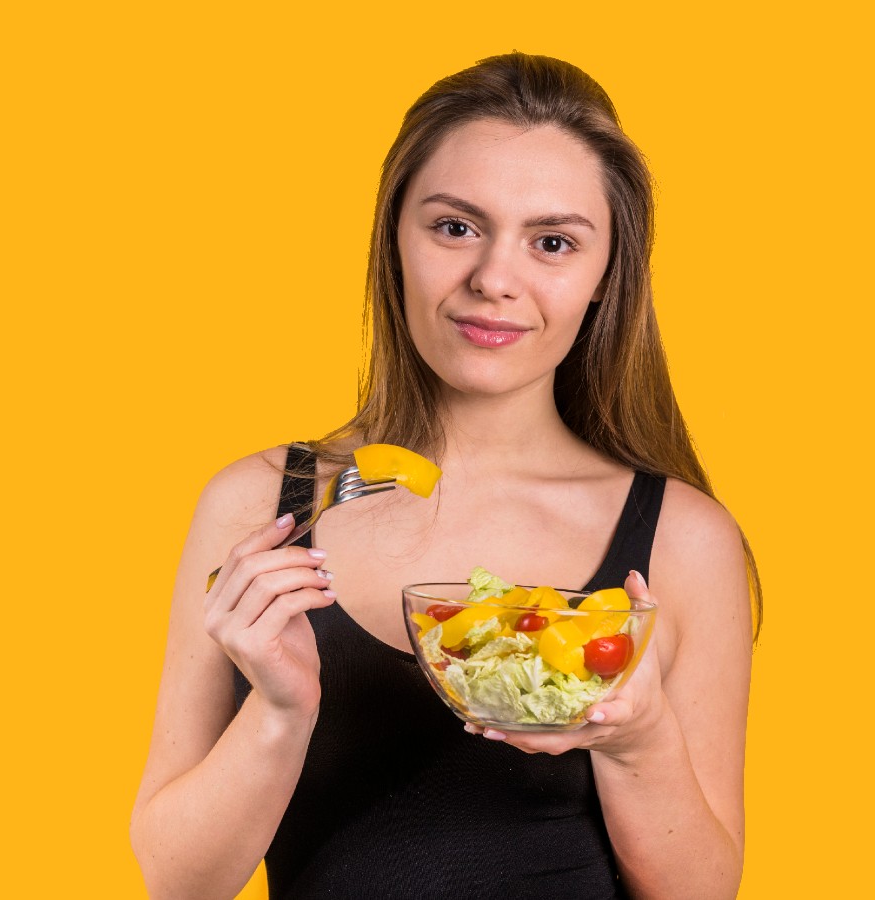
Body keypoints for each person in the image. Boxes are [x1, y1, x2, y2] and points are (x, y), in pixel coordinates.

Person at [128, 52, 757, 900]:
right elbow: (178, 883)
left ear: (607, 274)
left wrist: (637, 738)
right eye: (455, 227)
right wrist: (280, 711)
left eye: (553, 243)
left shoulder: (682, 539)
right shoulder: (259, 506)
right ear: (395, 238)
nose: (495, 280)